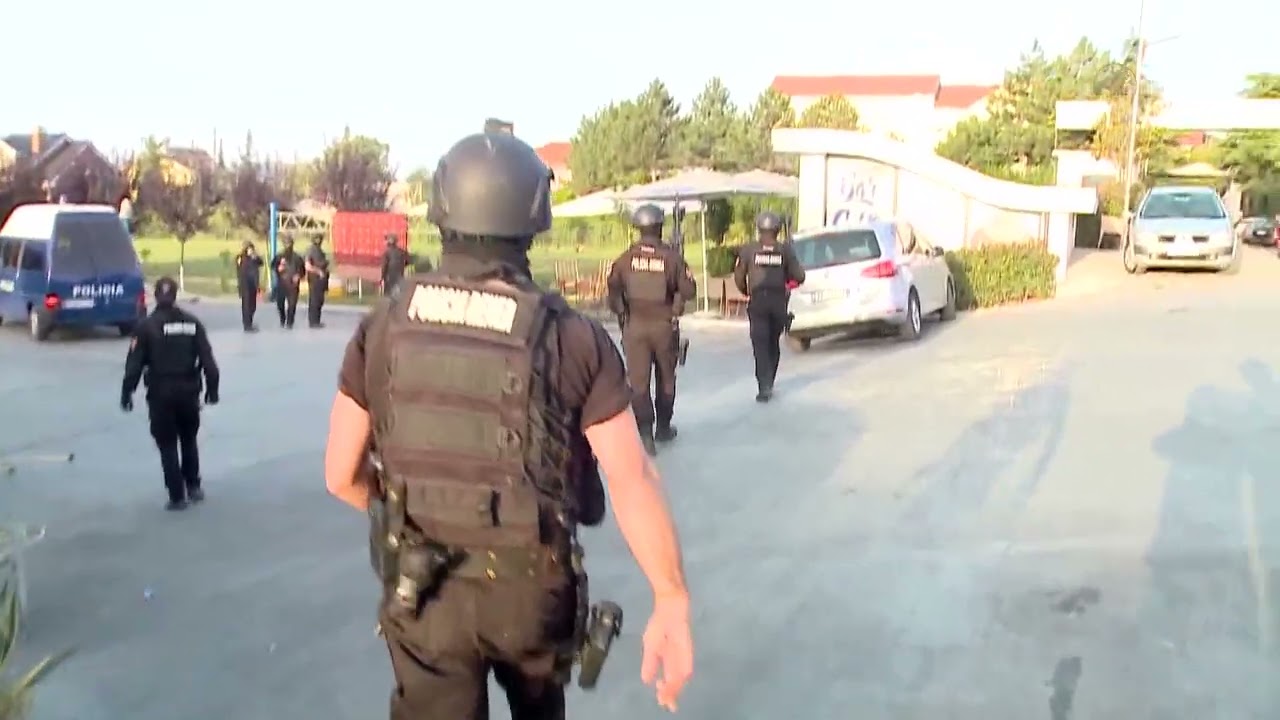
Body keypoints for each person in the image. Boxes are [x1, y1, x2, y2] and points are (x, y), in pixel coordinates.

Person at [323, 132, 693, 719]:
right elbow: (631, 478)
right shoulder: (572, 336)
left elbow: (340, 475)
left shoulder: (384, 325)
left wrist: (405, 517)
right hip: (531, 593)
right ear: (534, 219)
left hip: (423, 588)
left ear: (441, 209)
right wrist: (671, 598)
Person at [120, 277, 220, 511]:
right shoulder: (192, 323)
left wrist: (127, 393)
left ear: (155, 296)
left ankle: (177, 496)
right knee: (188, 439)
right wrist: (212, 390)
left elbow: (134, 366)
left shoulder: (145, 327)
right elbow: (208, 362)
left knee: (166, 443)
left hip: (160, 393)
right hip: (189, 391)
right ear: (175, 296)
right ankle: (193, 486)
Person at [606, 204, 696, 456]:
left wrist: (623, 314)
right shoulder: (671, 257)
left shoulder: (625, 259)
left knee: (638, 382)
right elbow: (689, 291)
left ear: (638, 227)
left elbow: (613, 292)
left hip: (634, 327)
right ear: (659, 227)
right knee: (666, 379)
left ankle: (645, 434)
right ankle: (663, 428)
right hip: (664, 327)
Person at [734, 211, 805, 403]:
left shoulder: (749, 250)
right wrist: (786, 277)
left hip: (757, 302)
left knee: (760, 345)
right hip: (778, 302)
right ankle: (769, 381)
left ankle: (764, 385)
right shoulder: (785, 250)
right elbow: (799, 276)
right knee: (772, 342)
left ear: (759, 228)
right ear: (777, 229)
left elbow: (739, 276)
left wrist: (746, 291)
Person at [271, 236, 305, 329]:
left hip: (293, 285)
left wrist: (298, 275)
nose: (288, 245)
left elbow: (302, 271)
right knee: (280, 304)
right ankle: (282, 318)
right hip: (282, 284)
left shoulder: (297, 257)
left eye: (289, 243)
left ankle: (290, 322)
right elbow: (273, 266)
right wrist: (278, 268)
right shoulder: (279, 256)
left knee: (292, 305)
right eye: (286, 243)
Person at [235, 241, 264, 332]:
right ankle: (247, 325)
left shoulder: (254, 258)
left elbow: (261, 262)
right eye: (249, 249)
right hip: (245, 284)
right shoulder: (241, 258)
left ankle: (250, 323)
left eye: (252, 249)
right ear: (246, 249)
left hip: (253, 284)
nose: (251, 250)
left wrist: (255, 257)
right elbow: (240, 267)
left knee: (253, 305)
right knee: (246, 305)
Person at [304, 235, 330, 328]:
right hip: (314, 278)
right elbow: (308, 266)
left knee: (319, 300)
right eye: (317, 239)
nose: (319, 240)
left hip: (321, 280)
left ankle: (317, 321)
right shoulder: (311, 250)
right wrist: (318, 271)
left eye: (320, 239)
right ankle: (313, 322)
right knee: (314, 300)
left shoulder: (319, 250)